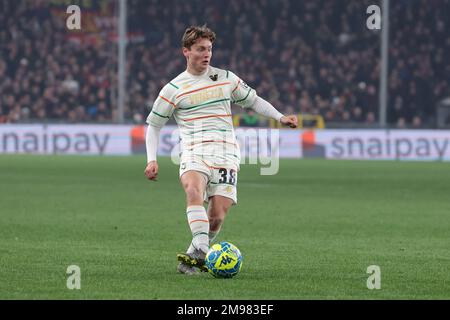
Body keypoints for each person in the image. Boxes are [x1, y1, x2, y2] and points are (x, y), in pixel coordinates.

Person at [144, 25, 298, 275]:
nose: (206, 54)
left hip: (227, 153)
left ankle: (194, 255)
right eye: (200, 49)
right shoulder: (173, 89)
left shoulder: (226, 78)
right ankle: (204, 255)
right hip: (194, 151)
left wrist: (280, 117)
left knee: (217, 215)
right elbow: (153, 126)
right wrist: (152, 160)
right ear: (186, 51)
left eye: (209, 49)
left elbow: (254, 101)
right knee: (193, 190)